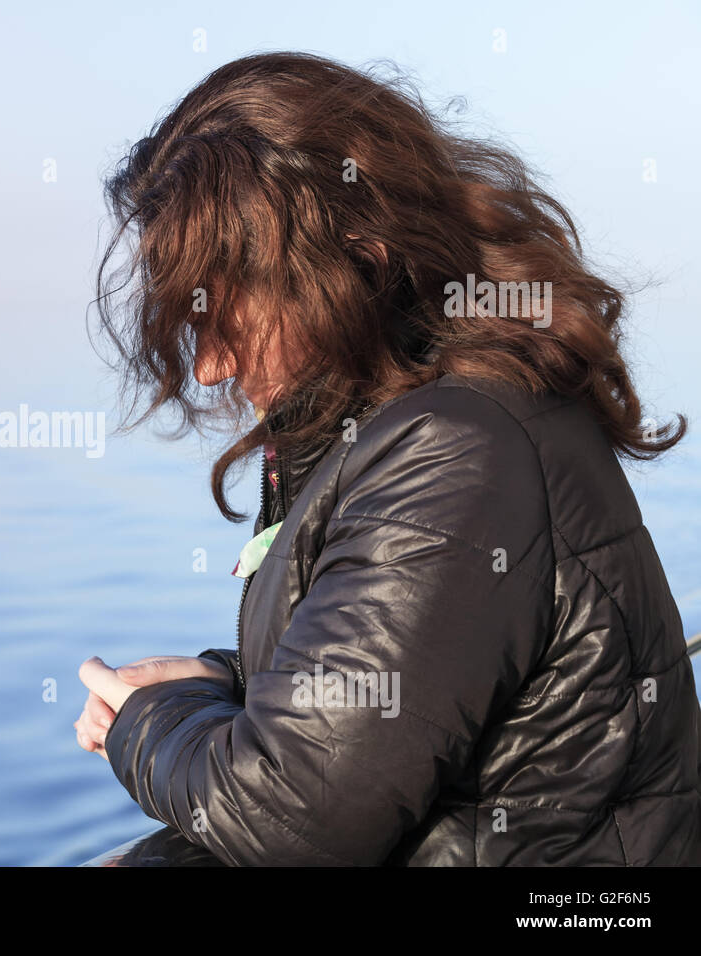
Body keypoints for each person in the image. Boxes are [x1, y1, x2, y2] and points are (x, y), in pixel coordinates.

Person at [76, 51, 701, 866]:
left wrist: (144, 725)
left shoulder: (455, 450)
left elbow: (293, 821)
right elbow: (423, 665)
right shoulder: (422, 417)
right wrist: (215, 684)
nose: (210, 367)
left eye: (229, 318)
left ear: (358, 266)